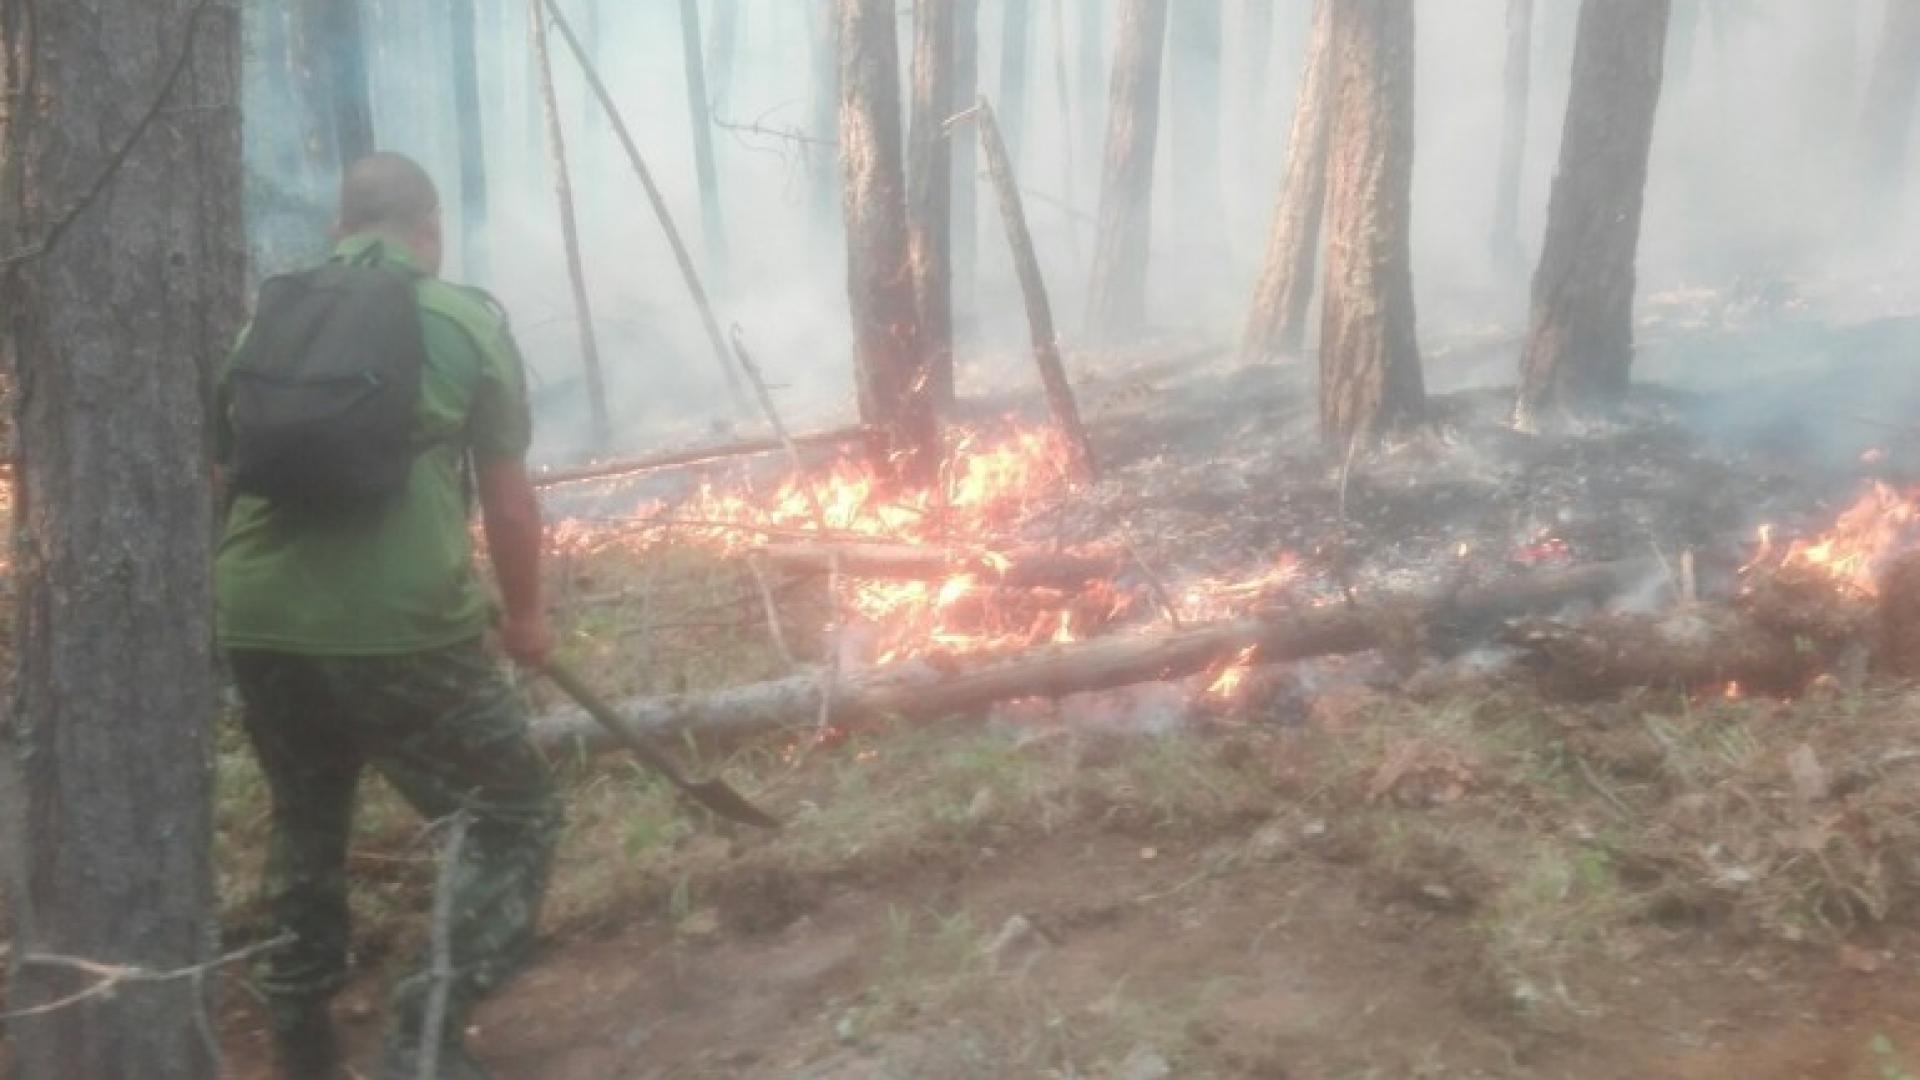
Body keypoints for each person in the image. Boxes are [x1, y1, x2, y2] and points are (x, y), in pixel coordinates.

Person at [215, 153, 561, 1080]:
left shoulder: (266, 325)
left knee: (307, 812)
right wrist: (526, 619)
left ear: (339, 232)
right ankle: (423, 1042)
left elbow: (224, 473)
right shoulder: (462, 321)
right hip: (403, 629)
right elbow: (512, 506)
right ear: (430, 234)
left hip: (260, 623)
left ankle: (297, 1037)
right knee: (512, 812)